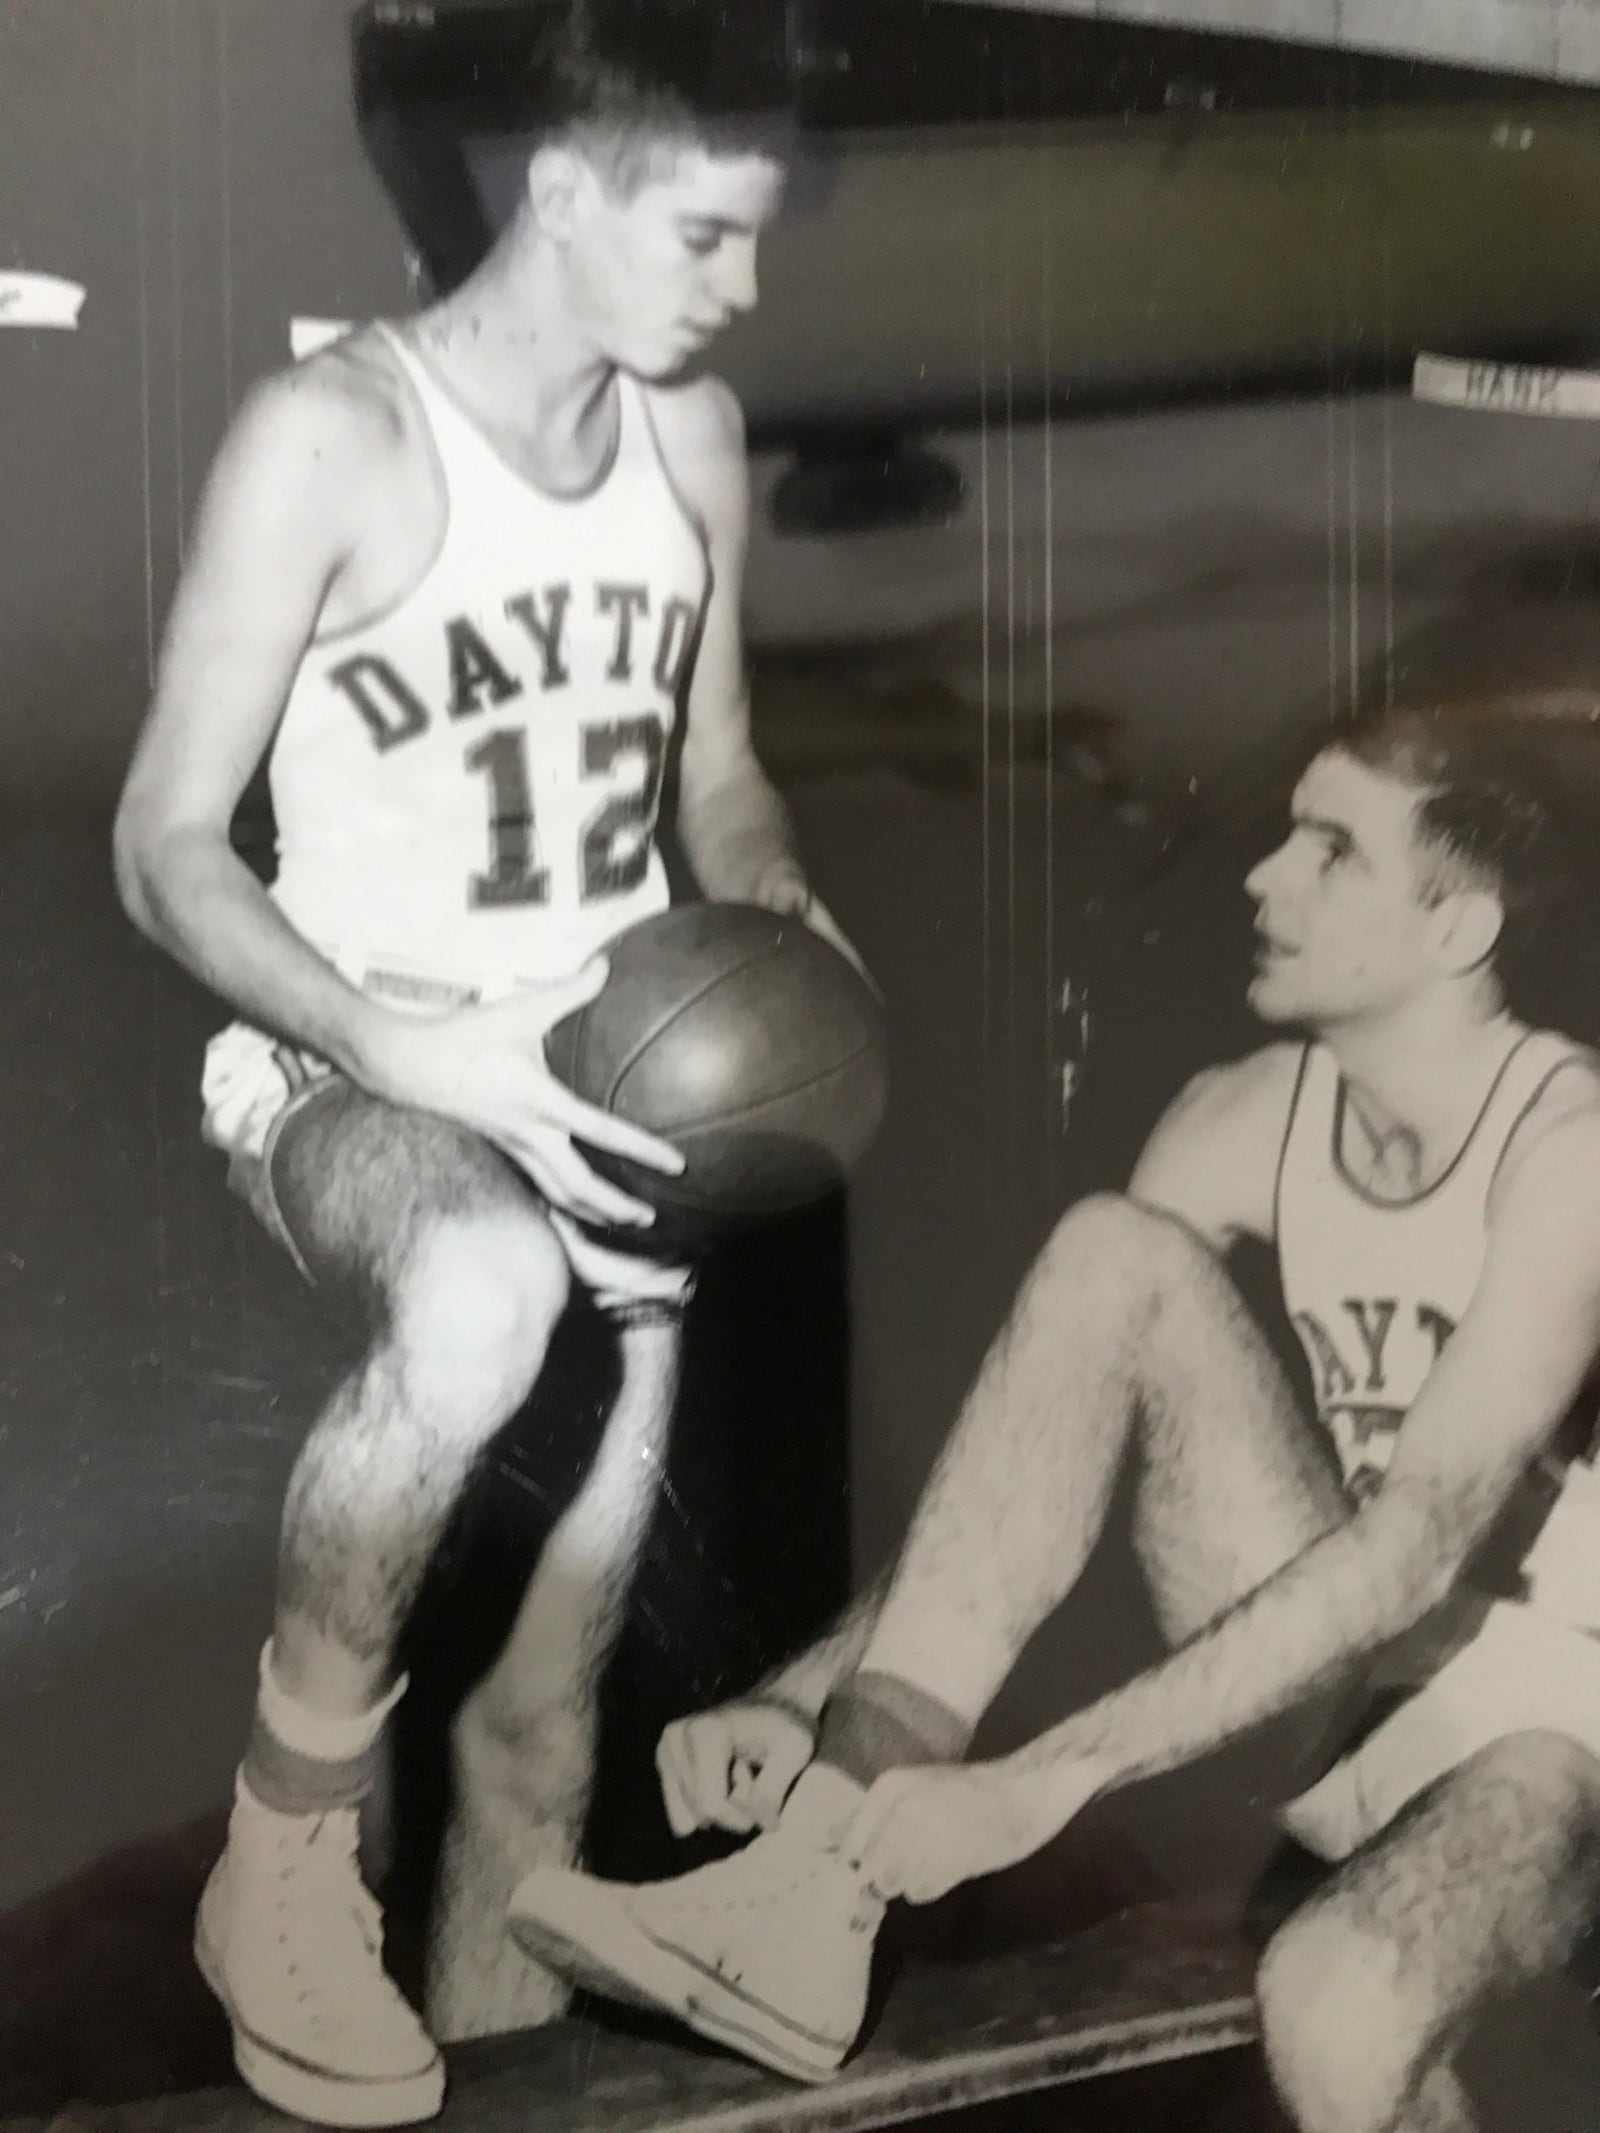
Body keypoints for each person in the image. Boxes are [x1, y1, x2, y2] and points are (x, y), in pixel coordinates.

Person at [111, 4, 857, 2123]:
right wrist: (395, 1037)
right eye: (707, 231)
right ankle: (276, 1848)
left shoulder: (686, 441)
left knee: (539, 1729)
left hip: (614, 1102)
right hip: (356, 1064)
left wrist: (783, 902)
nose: (741, 282)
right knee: (474, 1289)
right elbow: (162, 838)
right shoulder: (331, 435)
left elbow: (714, 779)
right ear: (560, 186)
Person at [511, 701, 1600, 2130]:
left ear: (1460, 923)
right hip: (1362, 1712)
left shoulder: (1569, 1149)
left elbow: (1409, 1550)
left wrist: (1041, 1781)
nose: (1264, 876)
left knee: (1336, 2019)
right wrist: (813, 1694)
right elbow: (1029, 1457)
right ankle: (808, 1888)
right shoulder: (1238, 1117)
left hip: (1559, 1739)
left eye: (1331, 850)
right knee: (1106, 1258)